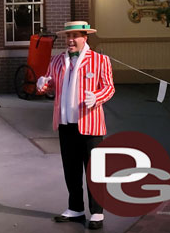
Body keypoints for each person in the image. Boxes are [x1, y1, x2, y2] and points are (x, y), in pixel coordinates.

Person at [36, 21, 115, 230]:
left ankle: (97, 212)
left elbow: (109, 88)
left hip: (91, 124)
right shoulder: (57, 60)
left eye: (75, 36)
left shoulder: (100, 60)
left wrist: (96, 97)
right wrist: (43, 83)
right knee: (70, 169)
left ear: (85, 38)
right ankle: (75, 208)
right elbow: (50, 83)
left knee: (93, 170)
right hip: (66, 123)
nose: (70, 40)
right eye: (68, 37)